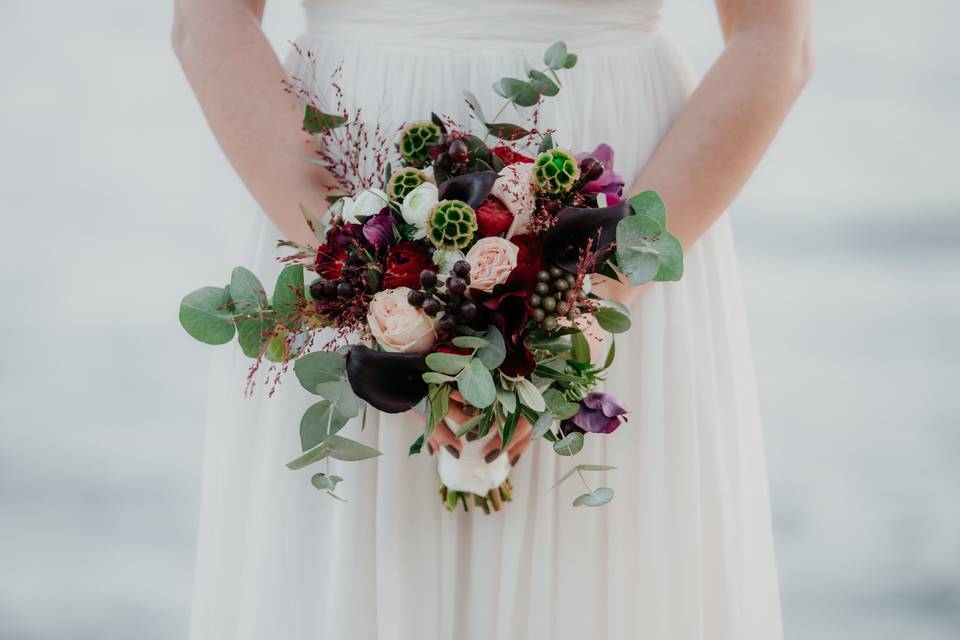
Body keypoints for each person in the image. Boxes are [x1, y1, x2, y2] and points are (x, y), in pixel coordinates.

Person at [173, 1, 811, 638]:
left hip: (631, 202)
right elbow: (209, 21)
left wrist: (590, 299)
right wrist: (363, 272)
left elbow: (774, 38)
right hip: (333, 183)